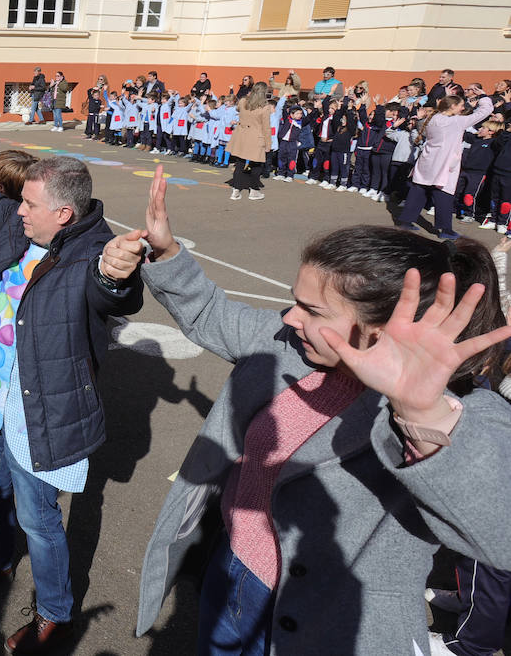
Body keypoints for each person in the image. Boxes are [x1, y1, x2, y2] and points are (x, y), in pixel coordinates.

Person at [117, 166, 511, 655]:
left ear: (385, 326)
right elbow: (210, 315)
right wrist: (168, 251)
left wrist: (422, 413)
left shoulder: (460, 407)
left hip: (335, 624)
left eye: (313, 310)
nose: (291, 318)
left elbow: (501, 535)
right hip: (235, 567)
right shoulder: (293, 343)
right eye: (294, 303)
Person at [0, 102, 144, 655]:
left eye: (28, 204)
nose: (17, 211)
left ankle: (55, 613)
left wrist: (119, 277)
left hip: (39, 410)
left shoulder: (91, 255)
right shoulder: (24, 226)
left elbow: (109, 287)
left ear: (63, 215)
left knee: (39, 518)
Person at [396, 92, 494, 239]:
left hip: (428, 160)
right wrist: (484, 97)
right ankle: (445, 230)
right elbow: (485, 111)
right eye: (461, 106)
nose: (463, 109)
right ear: (453, 106)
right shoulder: (455, 122)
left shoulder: (434, 118)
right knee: (444, 194)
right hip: (444, 164)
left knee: (419, 190)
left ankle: (405, 221)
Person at [225, 83, 272, 201]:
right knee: (256, 164)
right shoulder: (265, 107)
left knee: (240, 163)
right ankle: (254, 190)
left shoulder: (243, 101)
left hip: (241, 134)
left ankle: (236, 190)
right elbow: (266, 127)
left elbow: (237, 109)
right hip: (256, 136)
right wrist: (268, 144)